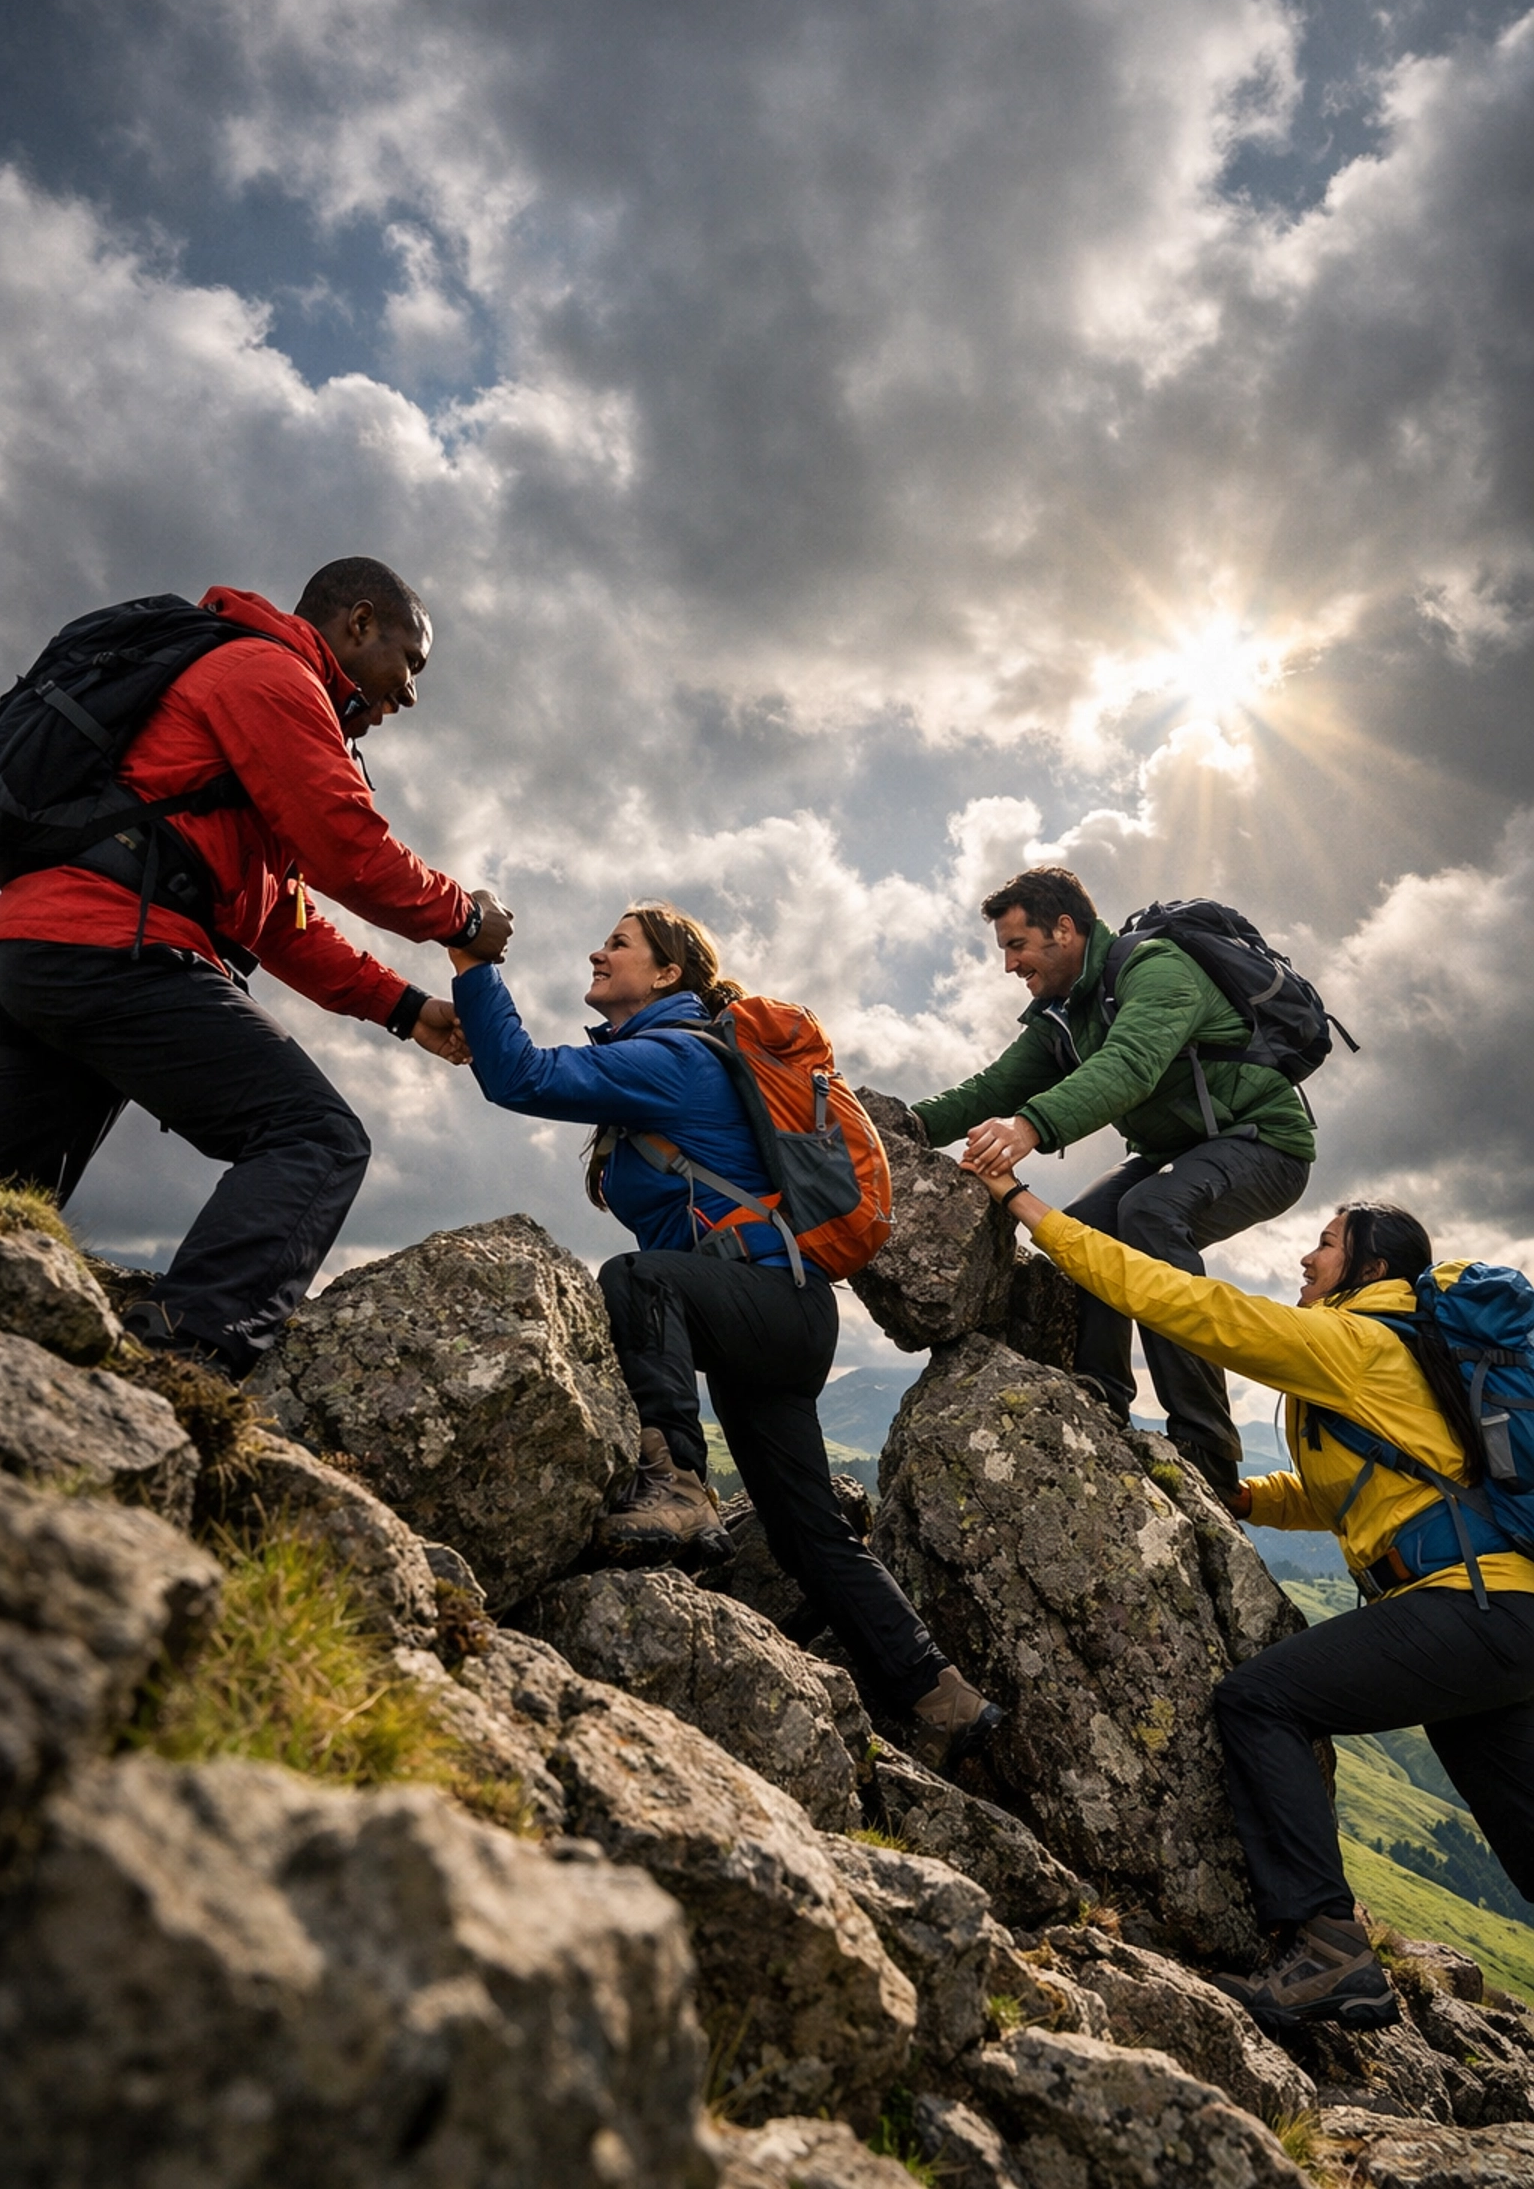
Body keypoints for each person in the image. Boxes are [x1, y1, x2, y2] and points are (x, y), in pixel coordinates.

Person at [966, 1159, 1534, 2033]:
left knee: (1259, 1702)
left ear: (1372, 1268)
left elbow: (1188, 1307)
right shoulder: (1394, 1360)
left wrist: (1024, 1205)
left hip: (1472, 1609)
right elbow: (1379, 1488)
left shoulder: (1358, 1345)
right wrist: (1247, 1500)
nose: (1309, 1258)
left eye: (1327, 1243)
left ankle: (1331, 1949)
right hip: (1498, 1615)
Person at [450, 898, 1001, 1768]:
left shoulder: (672, 1057)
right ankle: (945, 1698)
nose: (598, 951)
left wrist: (472, 963)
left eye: (619, 944)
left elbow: (517, 1076)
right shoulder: (667, 1058)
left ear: (668, 974)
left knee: (634, 1279)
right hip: (771, 1311)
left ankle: (674, 1480)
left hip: (761, 1302)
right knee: (804, 1533)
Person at [0, 557, 511, 1377]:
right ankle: (182, 1360)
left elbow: (282, 921)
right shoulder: (268, 672)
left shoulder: (243, 695)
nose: (410, 693)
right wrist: (468, 918)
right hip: (113, 947)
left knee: (13, 1199)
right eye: (410, 664)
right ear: (359, 622)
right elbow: (350, 850)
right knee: (316, 1137)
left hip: (36, 952)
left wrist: (408, 1009)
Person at [911, 866, 1314, 1496]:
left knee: (1150, 1215)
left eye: (1017, 945)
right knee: (1089, 1224)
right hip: (1177, 1150)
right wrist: (898, 1127)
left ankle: (1205, 1443)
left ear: (1064, 929)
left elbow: (1131, 1065)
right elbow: (992, 1087)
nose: (1010, 965)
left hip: (1263, 1143)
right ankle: (1100, 1391)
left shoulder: (1156, 968)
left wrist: (1031, 1127)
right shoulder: (1062, 1015)